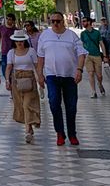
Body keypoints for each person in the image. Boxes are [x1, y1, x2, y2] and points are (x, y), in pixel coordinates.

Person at [37, 12, 86, 146]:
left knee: (71, 106)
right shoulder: (45, 36)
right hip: (52, 76)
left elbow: (81, 53)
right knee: (53, 103)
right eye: (52, 21)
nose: (55, 24)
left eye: (58, 21)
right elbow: (40, 57)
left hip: (69, 76)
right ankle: (59, 132)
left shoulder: (71, 36)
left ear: (63, 21)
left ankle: (72, 133)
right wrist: (40, 74)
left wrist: (79, 70)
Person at [5, 29, 45, 143]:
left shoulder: (31, 51)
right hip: (17, 80)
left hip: (29, 80)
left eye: (21, 41)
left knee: (28, 104)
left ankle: (27, 130)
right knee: (21, 105)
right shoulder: (11, 53)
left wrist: (40, 78)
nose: (19, 43)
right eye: (17, 41)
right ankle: (29, 126)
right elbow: (9, 67)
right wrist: (7, 80)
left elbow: (37, 65)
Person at [80, 16, 107, 98]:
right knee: (90, 73)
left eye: (84, 21)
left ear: (89, 22)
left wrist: (105, 56)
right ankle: (93, 91)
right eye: (82, 21)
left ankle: (100, 84)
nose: (83, 23)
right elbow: (82, 45)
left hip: (97, 55)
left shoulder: (96, 33)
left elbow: (101, 44)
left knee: (99, 75)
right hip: (88, 56)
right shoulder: (83, 34)